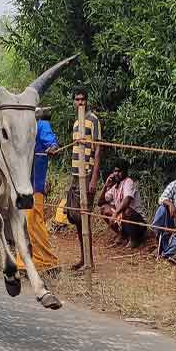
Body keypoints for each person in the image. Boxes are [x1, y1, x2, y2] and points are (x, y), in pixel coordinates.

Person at [16, 110, 61, 272]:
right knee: (23, 223)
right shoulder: (23, 127)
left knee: (34, 221)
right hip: (22, 185)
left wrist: (53, 147)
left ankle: (46, 260)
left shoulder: (41, 124)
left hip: (35, 185)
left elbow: (52, 142)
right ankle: (24, 261)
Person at [65, 87, 103, 270]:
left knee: (84, 217)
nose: (80, 102)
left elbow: (98, 150)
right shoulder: (75, 123)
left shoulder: (93, 120)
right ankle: (83, 257)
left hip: (86, 174)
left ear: (86, 101)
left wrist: (94, 178)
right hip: (74, 174)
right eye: (77, 99)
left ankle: (90, 262)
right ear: (74, 101)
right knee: (74, 216)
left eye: (82, 99)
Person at [98, 159, 146, 248]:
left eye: (119, 171)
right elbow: (100, 202)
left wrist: (115, 213)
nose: (116, 173)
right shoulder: (115, 186)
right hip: (123, 221)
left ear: (125, 172)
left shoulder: (128, 182)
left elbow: (127, 200)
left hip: (138, 224)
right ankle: (123, 236)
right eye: (115, 171)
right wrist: (106, 185)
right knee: (104, 208)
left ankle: (134, 240)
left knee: (126, 211)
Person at [153, 177, 176, 264]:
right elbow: (161, 198)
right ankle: (160, 244)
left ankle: (166, 254)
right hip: (171, 224)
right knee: (162, 209)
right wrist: (170, 204)